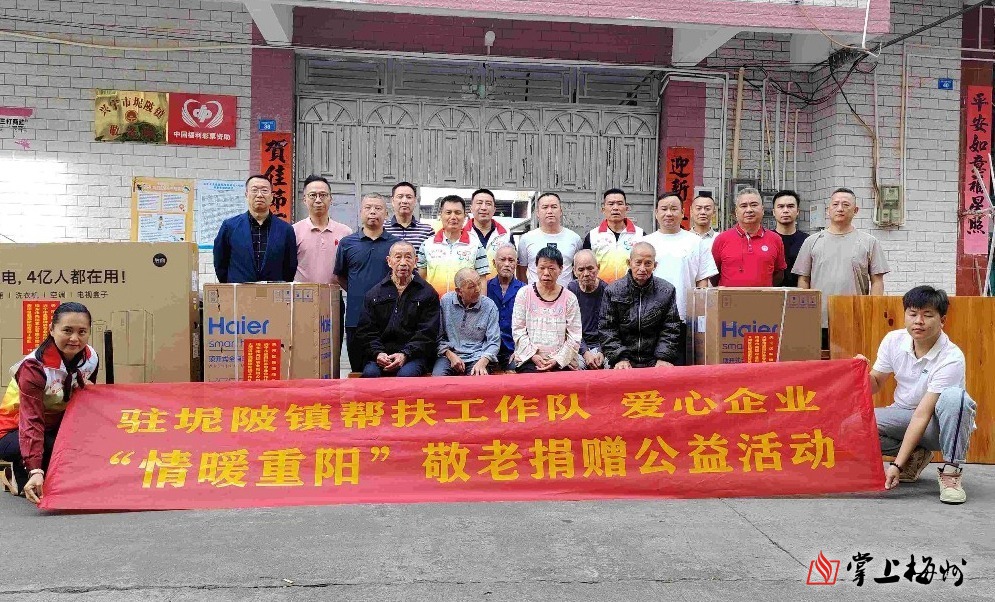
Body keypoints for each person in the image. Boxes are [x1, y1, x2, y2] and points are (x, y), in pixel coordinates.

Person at [856, 286, 976, 504]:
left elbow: (923, 414)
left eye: (927, 315)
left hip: (938, 427)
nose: (918, 321)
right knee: (853, 425)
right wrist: (860, 373)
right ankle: (916, 454)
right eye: (913, 314)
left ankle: (951, 472)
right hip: (902, 415)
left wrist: (896, 464)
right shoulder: (893, 340)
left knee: (956, 398)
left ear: (942, 320)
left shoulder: (951, 357)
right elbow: (876, 384)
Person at [0, 302, 99, 504]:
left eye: (82, 332)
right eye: (67, 330)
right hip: (14, 430)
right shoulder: (34, 367)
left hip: (54, 426)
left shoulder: (91, 358)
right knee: (54, 448)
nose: (75, 338)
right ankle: (18, 473)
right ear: (52, 329)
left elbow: (84, 401)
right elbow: (31, 421)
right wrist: (36, 469)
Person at [793, 187, 889, 349]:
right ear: (828, 209)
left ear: (855, 210)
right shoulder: (812, 241)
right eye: (835, 204)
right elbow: (803, 279)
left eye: (846, 205)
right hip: (819, 319)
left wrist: (873, 310)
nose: (840, 208)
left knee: (853, 359)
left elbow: (877, 281)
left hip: (855, 317)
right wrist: (805, 312)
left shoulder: (869, 242)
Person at [333, 194, 398, 372]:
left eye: (378, 208)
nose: (373, 212)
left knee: (388, 371)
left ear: (386, 213)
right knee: (358, 371)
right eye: (368, 208)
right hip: (356, 318)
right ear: (360, 212)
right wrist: (359, 293)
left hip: (389, 320)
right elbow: (340, 276)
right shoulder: (347, 243)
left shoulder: (396, 245)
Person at [355, 241, 440, 377]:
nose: (403, 263)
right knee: (370, 374)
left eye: (408, 257)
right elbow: (366, 331)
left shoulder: (427, 293)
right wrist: (378, 353)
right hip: (380, 355)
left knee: (405, 376)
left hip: (413, 356)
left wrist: (405, 354)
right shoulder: (374, 294)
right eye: (398, 257)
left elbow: (427, 333)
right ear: (389, 261)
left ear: (416, 261)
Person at [600, 242, 682, 369]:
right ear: (629, 263)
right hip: (623, 360)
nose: (642, 268)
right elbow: (607, 328)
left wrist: (663, 357)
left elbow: (671, 327)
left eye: (648, 263)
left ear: (655, 265)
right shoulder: (613, 291)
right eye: (638, 263)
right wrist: (619, 358)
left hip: (655, 359)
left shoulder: (666, 291)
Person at [641, 192, 717, 324]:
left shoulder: (696, 242)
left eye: (674, 209)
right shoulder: (644, 243)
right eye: (664, 209)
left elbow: (702, 281)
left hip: (685, 315)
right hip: (650, 315)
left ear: (682, 213)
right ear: (656, 213)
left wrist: (699, 315)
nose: (669, 213)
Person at [213, 174, 298, 283]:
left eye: (264, 190)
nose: (259, 195)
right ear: (246, 194)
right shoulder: (229, 226)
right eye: (254, 190)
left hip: (273, 291)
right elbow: (220, 263)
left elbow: (290, 267)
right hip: (239, 291)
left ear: (272, 196)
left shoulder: (286, 229)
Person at [511, 246, 582, 373]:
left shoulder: (570, 298)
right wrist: (533, 355)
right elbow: (518, 330)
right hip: (530, 360)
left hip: (561, 361)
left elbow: (574, 336)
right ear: (535, 268)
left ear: (561, 269)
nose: (546, 273)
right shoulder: (524, 294)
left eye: (551, 268)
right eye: (542, 268)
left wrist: (557, 359)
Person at [711, 187, 786, 287]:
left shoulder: (775, 239)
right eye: (743, 206)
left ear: (762, 209)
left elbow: (778, 275)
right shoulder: (721, 239)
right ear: (736, 212)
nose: (749, 210)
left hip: (764, 296)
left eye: (754, 205)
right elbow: (714, 275)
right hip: (729, 297)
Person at [417, 195, 489, 297]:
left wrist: (481, 304)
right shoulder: (427, 245)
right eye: (448, 212)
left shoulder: (476, 245)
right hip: (433, 304)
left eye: (458, 213)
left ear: (465, 216)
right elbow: (421, 279)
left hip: (465, 304)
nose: (453, 217)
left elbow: (482, 280)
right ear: (440, 215)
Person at [434, 268, 502, 376]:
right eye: (471, 287)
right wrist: (449, 354)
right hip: (449, 354)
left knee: (477, 380)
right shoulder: (445, 302)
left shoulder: (489, 306)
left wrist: (483, 361)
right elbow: (438, 337)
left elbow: (494, 341)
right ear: (459, 291)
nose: (478, 289)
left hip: (478, 356)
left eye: (479, 284)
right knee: (438, 378)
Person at [293, 174, 352, 284]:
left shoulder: (345, 233)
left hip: (335, 293)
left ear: (331, 199)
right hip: (303, 293)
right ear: (304, 199)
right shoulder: (294, 231)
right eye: (312, 195)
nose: (318, 200)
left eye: (323, 195)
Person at [517, 193, 583, 286]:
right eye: (545, 207)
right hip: (535, 294)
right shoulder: (526, 239)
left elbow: (579, 270)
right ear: (537, 213)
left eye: (554, 207)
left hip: (566, 293)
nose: (549, 211)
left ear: (561, 211)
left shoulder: (574, 239)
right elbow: (521, 271)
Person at [582, 188, 645, 284]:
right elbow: (584, 265)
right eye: (611, 204)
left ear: (626, 208)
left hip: (632, 288)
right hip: (601, 289)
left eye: (620, 204)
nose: (615, 208)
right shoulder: (592, 236)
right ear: (603, 209)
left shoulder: (640, 235)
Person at [486, 243, 525, 370]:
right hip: (488, 349)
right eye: (502, 260)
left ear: (516, 264)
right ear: (494, 263)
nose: (507, 264)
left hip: (513, 349)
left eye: (511, 260)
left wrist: (520, 350)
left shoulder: (524, 290)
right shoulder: (485, 288)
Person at [566, 249, 607, 370]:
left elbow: (611, 327)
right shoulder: (570, 291)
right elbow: (570, 328)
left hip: (604, 346)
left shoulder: (607, 291)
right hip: (578, 346)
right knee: (573, 367)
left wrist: (601, 351)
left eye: (590, 268)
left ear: (598, 268)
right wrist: (585, 352)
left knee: (614, 367)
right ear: (574, 271)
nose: (586, 274)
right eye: (581, 270)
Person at [464, 188, 512, 279]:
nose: (483, 207)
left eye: (488, 204)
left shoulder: (506, 234)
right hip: (471, 286)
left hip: (497, 287)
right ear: (471, 208)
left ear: (494, 210)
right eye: (479, 203)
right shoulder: (460, 233)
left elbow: (513, 263)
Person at [771, 190, 808, 288]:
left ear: (798, 211)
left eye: (790, 206)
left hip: (800, 293)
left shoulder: (807, 241)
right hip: (771, 293)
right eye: (781, 206)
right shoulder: (766, 239)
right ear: (774, 212)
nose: (785, 210)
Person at [384, 181, 434, 250]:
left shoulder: (427, 231)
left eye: (409, 197)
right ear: (392, 201)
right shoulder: (382, 229)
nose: (404, 201)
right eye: (400, 197)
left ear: (415, 201)